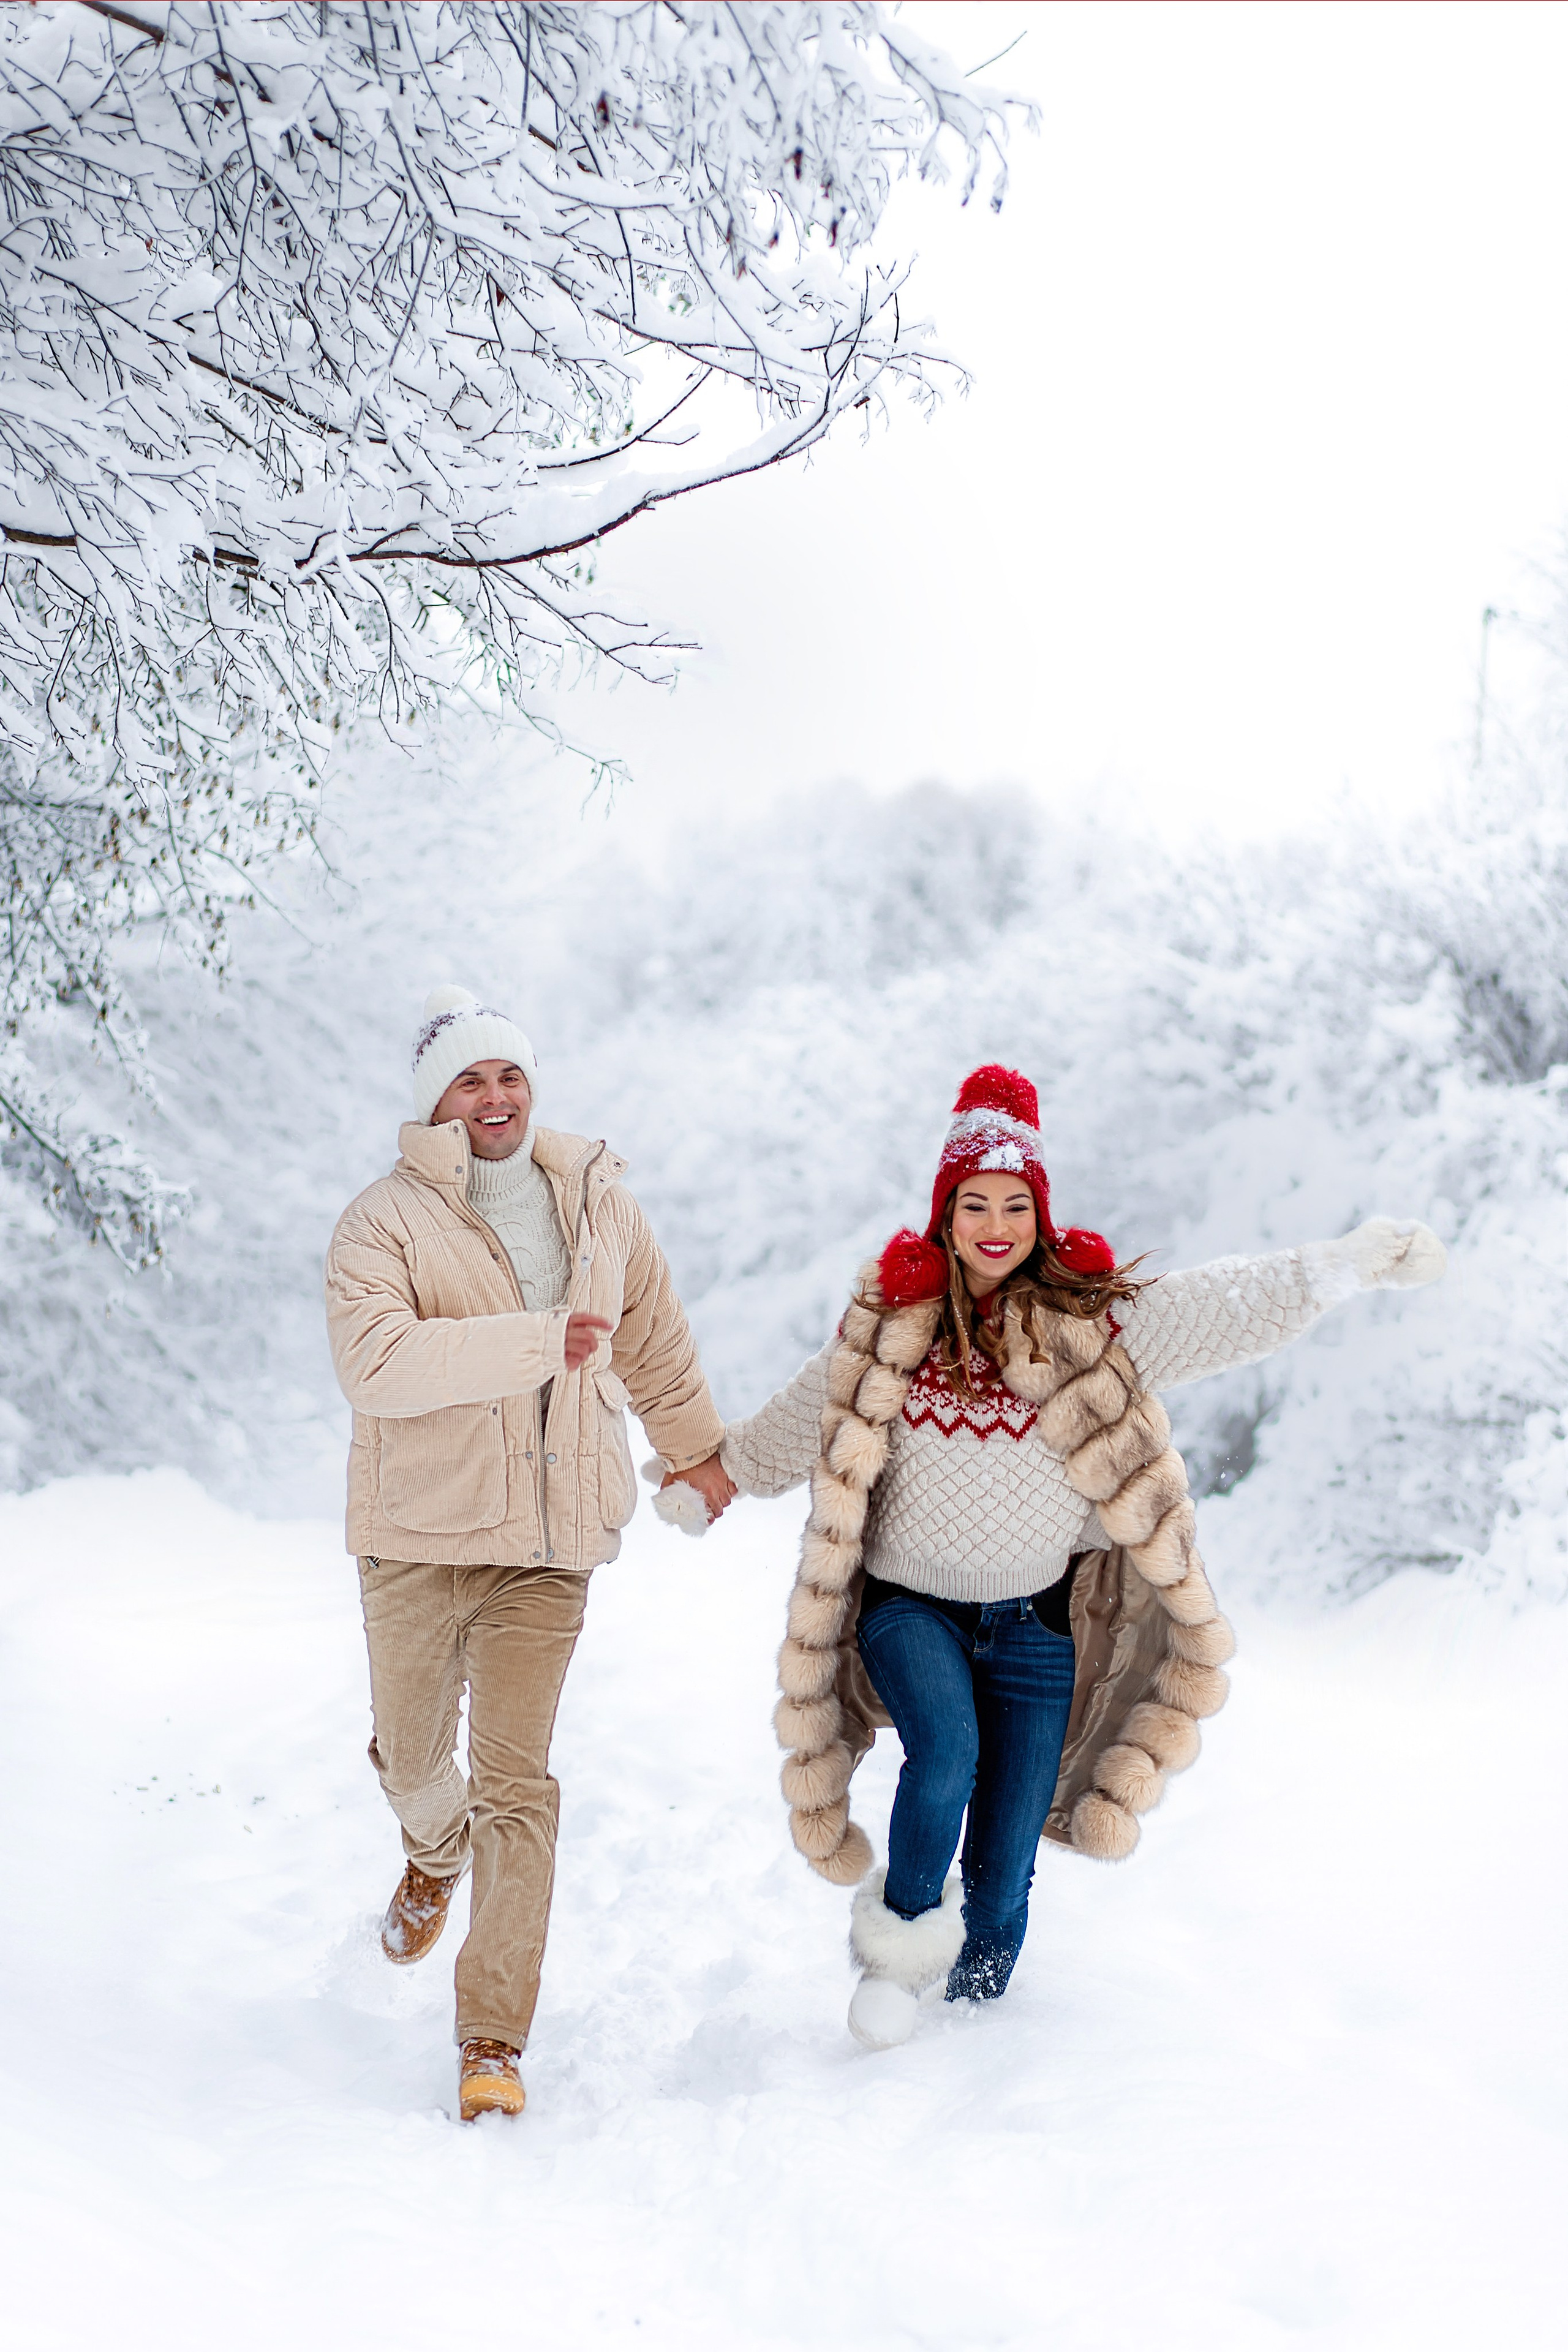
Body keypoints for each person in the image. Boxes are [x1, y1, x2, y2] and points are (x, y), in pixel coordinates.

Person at [717, 1064, 1446, 2049]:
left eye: (1015, 1205)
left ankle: (978, 2029)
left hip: (1034, 1628)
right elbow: (803, 1417)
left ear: (1039, 1217)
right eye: (973, 1203)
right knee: (946, 1755)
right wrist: (713, 1475)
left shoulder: (1091, 1329)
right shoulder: (895, 1329)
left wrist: (1342, 1264)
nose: (994, 1223)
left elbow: (1223, 1306)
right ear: (945, 1215)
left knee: (1009, 1857)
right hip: (909, 1610)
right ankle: (895, 1958)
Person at [325, 985, 734, 2119]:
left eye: (509, 1075)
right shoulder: (381, 1223)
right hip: (414, 1532)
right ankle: (430, 1845)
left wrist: (696, 1449)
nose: (495, 1096)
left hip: (550, 1538)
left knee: (519, 1782)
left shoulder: (598, 1205)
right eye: (469, 1078)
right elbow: (378, 1364)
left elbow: (650, 1334)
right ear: (433, 1102)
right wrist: (539, 1342)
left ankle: (491, 2040)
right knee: (414, 1759)